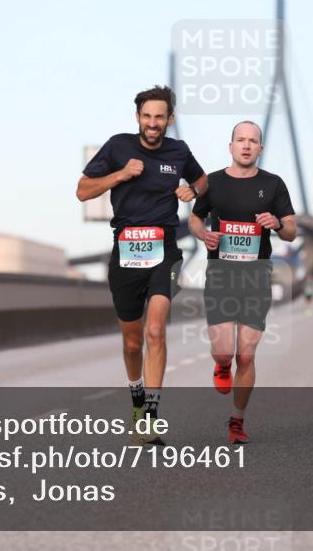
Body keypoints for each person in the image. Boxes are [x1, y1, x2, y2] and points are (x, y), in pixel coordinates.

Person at [77, 85, 207, 445]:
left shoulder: (178, 151)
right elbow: (83, 190)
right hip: (125, 252)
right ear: (138, 118)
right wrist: (120, 175)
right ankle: (136, 403)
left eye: (159, 117)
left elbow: (202, 178)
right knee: (133, 343)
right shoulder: (118, 146)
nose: (153, 123)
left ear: (170, 119)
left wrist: (194, 192)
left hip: (164, 249)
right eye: (147, 116)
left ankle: (150, 415)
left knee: (155, 330)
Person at [189, 121, 296, 444]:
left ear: (260, 149)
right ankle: (221, 366)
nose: (246, 146)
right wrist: (203, 234)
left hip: (257, 274)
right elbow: (195, 217)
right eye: (240, 140)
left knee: (246, 355)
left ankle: (236, 422)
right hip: (221, 273)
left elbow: (292, 230)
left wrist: (277, 224)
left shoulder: (274, 184)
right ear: (231, 146)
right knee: (224, 353)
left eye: (253, 141)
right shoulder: (213, 182)